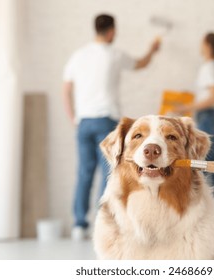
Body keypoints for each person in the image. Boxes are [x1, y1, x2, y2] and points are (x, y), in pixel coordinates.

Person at [62, 14, 160, 240]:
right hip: (106, 121)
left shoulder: (78, 56)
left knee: (84, 173)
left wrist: (74, 118)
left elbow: (66, 89)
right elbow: (141, 63)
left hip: (83, 122)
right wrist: (152, 49)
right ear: (112, 31)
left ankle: (79, 224)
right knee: (109, 173)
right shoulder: (115, 54)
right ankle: (102, 221)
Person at [175, 32, 214, 239]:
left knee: (194, 172)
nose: (200, 45)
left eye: (202, 42)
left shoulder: (209, 67)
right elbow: (210, 95)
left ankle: (190, 229)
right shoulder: (213, 67)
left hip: (210, 122)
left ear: (209, 46)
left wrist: (187, 106)